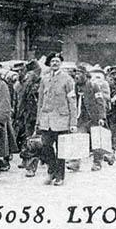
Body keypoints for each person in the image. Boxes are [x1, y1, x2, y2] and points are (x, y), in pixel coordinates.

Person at [35, 54, 77, 185]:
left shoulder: (67, 79)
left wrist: (73, 123)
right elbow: (40, 102)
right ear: (49, 63)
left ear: (61, 63)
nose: (54, 63)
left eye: (57, 61)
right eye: (52, 61)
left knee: (61, 150)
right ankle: (51, 171)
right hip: (47, 120)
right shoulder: (44, 79)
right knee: (45, 147)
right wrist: (38, 120)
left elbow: (72, 101)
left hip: (62, 120)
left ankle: (60, 177)